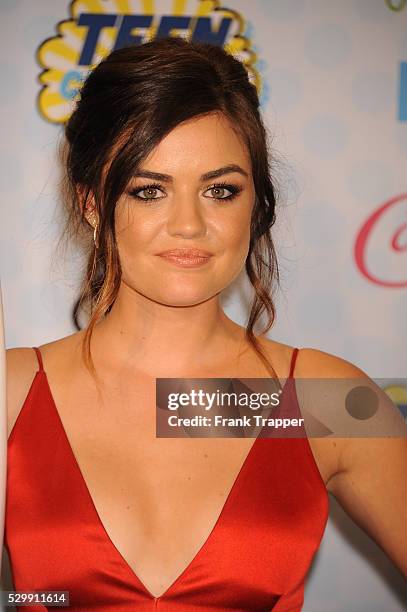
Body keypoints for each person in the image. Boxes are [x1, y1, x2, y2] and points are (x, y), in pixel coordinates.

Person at [4, 37, 407, 611]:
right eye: (149, 191)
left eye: (220, 191)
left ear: (255, 203)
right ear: (93, 204)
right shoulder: (12, 393)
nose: (189, 224)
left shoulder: (326, 400)